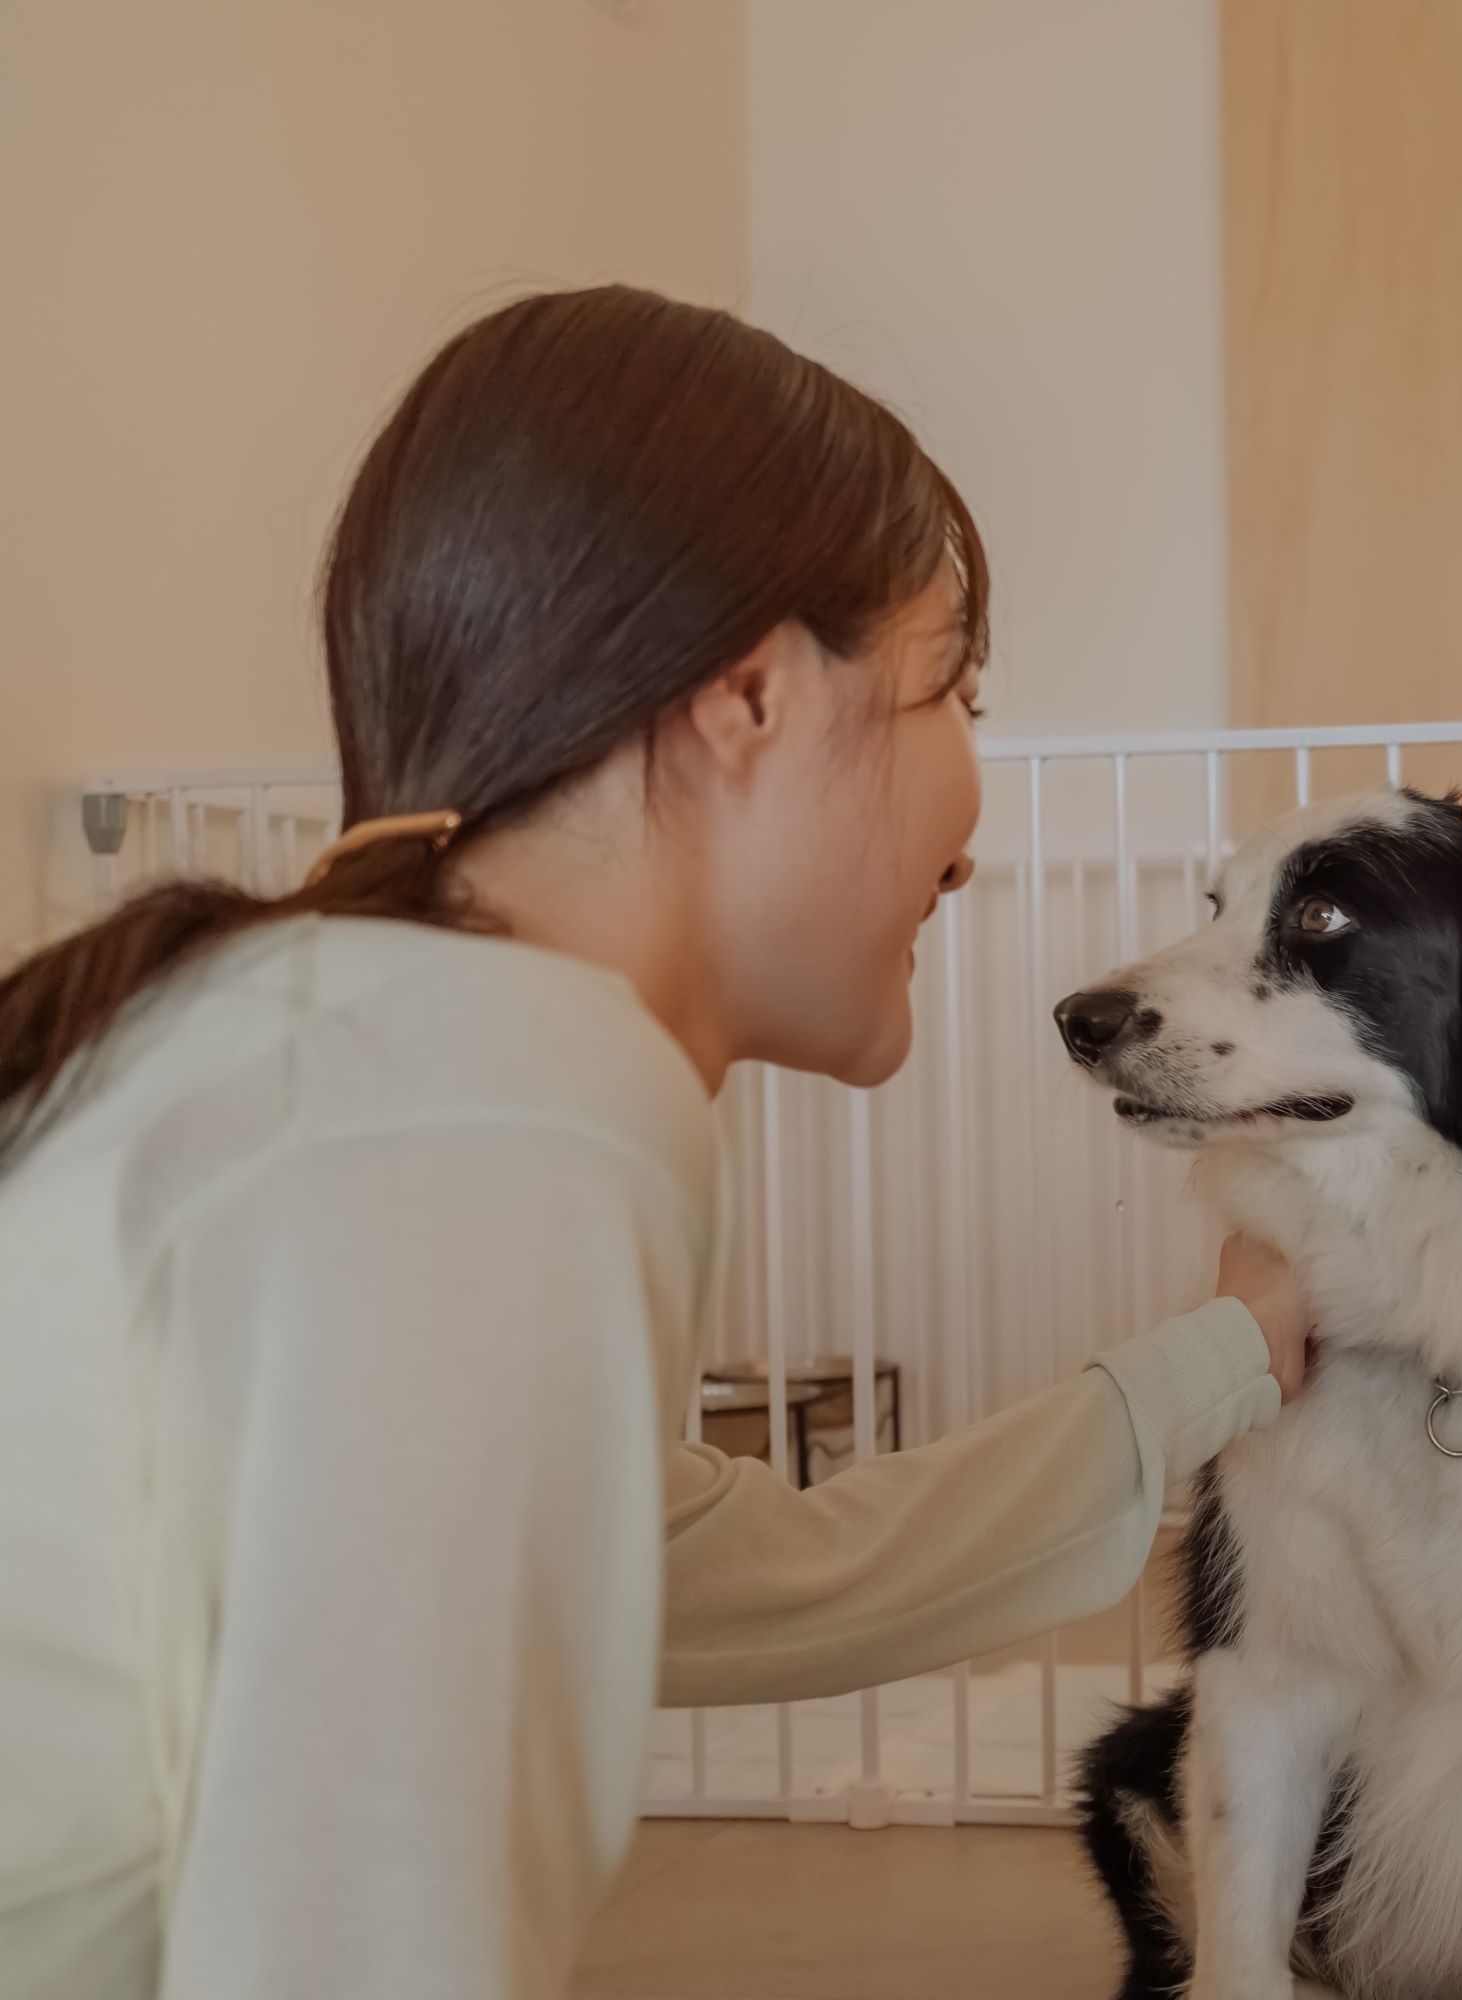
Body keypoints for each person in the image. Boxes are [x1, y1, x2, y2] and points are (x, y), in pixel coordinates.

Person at [0, 287, 1312, 2000]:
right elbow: (363, 1940)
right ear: (747, 699)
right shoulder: (506, 1098)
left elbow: (727, 1571)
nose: (971, 820)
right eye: (952, 691)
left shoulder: (343, 1035)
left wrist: (1227, 1355)